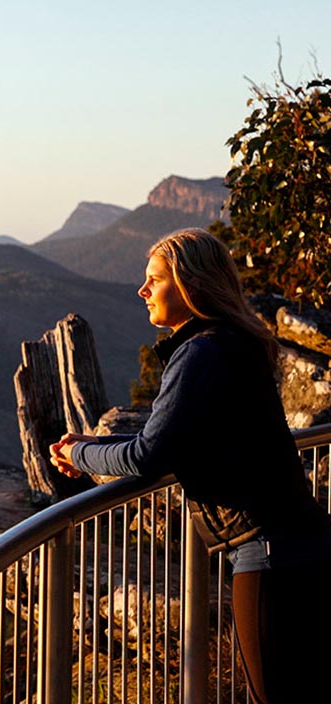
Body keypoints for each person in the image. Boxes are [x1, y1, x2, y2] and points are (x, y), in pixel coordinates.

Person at [48, 227, 331, 704]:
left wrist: (77, 453)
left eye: (154, 279)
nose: (142, 291)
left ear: (192, 286)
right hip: (306, 541)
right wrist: (94, 443)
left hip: (269, 555)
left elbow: (147, 455)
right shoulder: (234, 341)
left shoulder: (200, 353)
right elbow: (170, 435)